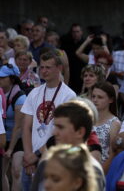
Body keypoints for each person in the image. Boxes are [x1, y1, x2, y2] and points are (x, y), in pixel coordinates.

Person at [21, 50, 76, 191]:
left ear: (59, 68)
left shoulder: (69, 95)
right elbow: (26, 126)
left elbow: (64, 132)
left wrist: (37, 156)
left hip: (52, 159)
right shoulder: (34, 93)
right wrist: (28, 155)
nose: (44, 71)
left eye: (48, 67)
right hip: (30, 159)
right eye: (42, 67)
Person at [30, 99, 105, 191]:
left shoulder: (92, 170)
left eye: (60, 127)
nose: (54, 132)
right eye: (55, 126)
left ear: (80, 132)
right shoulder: (46, 164)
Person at [0, 64, 26, 191]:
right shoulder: (1, 94)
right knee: (1, 173)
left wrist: (10, 149)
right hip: (4, 137)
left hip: (18, 139)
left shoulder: (20, 97)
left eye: (2, 77)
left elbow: (19, 126)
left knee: (16, 170)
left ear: (11, 79)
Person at [91, 82, 121, 171]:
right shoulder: (87, 119)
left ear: (111, 100)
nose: (95, 100)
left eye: (100, 97)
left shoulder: (114, 123)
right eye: (93, 96)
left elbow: (113, 154)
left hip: (101, 170)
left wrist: (100, 175)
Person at [60, 23, 85, 94]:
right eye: (74, 32)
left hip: (81, 74)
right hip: (70, 73)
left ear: (81, 32)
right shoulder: (66, 44)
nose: (75, 34)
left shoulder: (86, 44)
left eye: (77, 31)